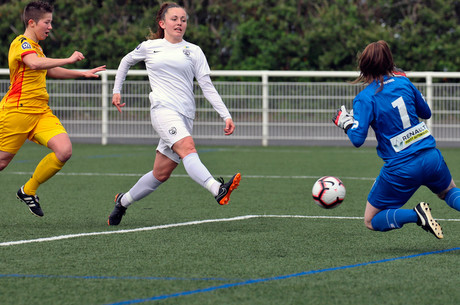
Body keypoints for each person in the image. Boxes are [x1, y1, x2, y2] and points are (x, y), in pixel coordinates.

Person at [108, 2, 241, 225]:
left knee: (160, 174)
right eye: (174, 19)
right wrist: (116, 90)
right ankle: (217, 188)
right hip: (163, 110)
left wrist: (225, 114)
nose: (179, 23)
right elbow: (125, 62)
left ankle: (122, 201)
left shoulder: (194, 51)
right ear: (162, 23)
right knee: (188, 147)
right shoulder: (150, 47)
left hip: (186, 116)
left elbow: (206, 85)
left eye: (183, 19)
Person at [333, 40, 460, 239]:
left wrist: (345, 123)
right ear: (390, 62)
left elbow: (358, 139)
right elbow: (426, 112)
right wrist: (410, 88)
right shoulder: (404, 82)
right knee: (449, 192)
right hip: (431, 156)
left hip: (401, 168)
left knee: (370, 220)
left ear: (363, 67)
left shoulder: (365, 98)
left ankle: (415, 215)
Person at [0, 1, 106, 217]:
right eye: (47, 22)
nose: (50, 27)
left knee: (64, 150)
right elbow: (35, 64)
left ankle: (28, 190)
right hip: (17, 112)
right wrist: (69, 58)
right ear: (32, 22)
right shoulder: (21, 43)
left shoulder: (37, 47)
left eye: (51, 22)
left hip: (41, 113)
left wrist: (81, 73)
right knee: (2, 162)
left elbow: (49, 69)